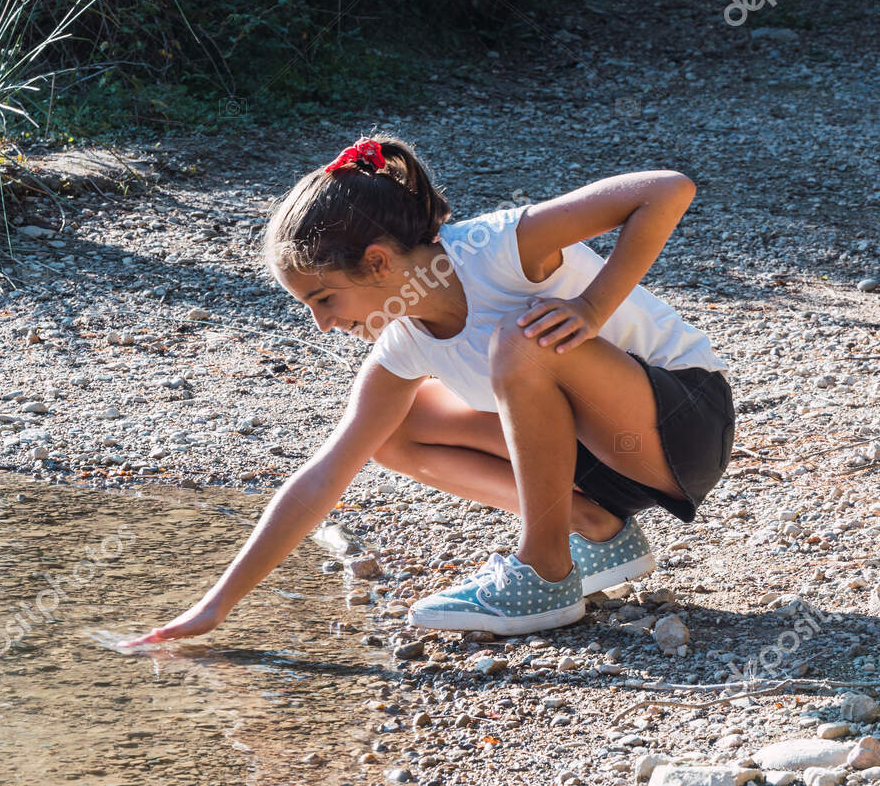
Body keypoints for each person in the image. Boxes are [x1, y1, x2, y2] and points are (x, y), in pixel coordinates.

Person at [132, 133, 732, 644]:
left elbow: (667, 188)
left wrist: (592, 308)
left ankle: (544, 574)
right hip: (599, 466)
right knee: (390, 431)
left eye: (323, 298)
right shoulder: (403, 342)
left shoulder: (496, 248)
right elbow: (324, 474)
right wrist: (216, 607)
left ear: (376, 263)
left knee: (519, 343)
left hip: (681, 427)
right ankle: (595, 530)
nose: (322, 323)